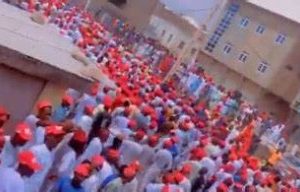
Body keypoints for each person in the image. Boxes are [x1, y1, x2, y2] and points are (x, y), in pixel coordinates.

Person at [28, 125, 65, 192]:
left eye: (60, 137)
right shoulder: (36, 150)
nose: (58, 140)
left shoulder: (52, 153)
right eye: (56, 137)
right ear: (48, 136)